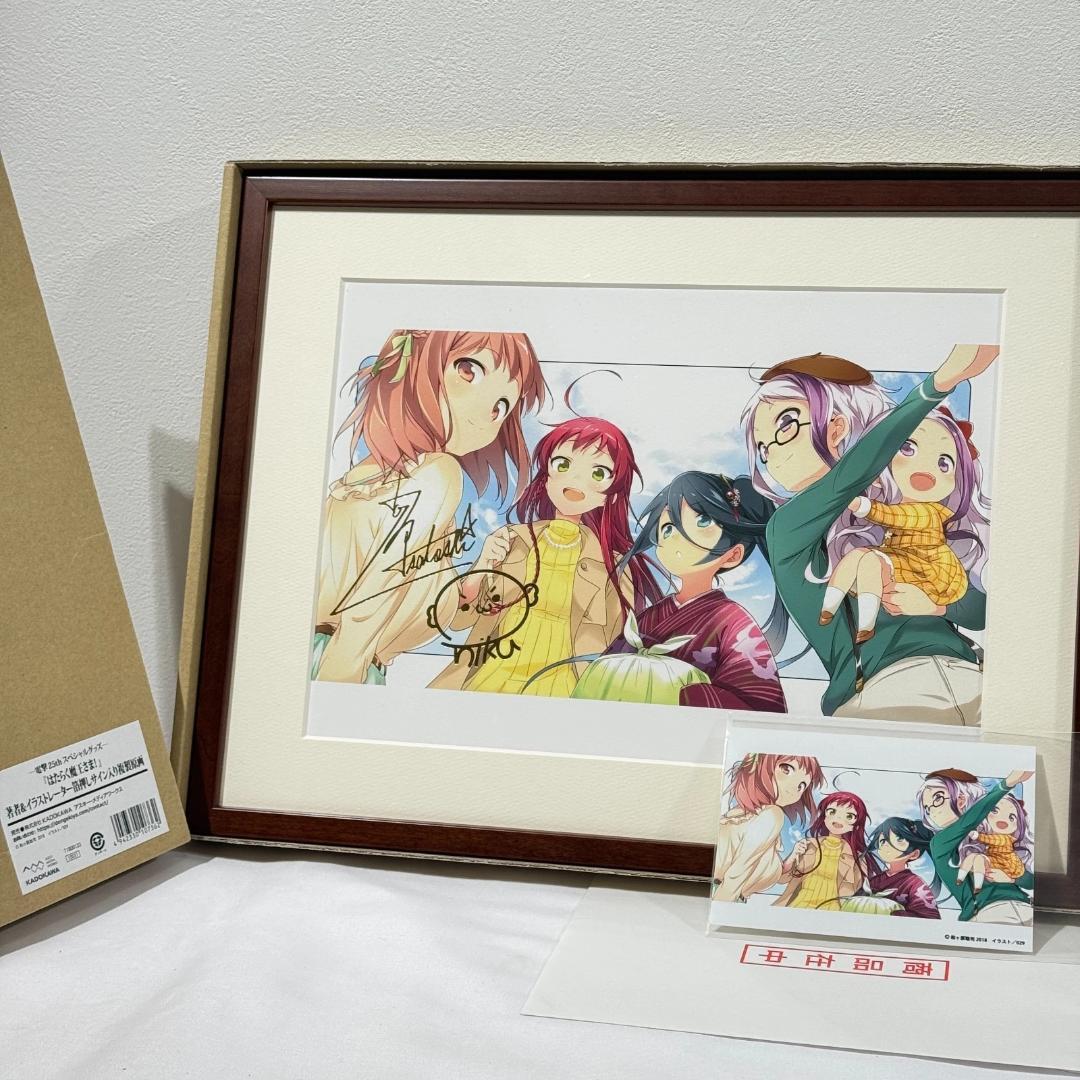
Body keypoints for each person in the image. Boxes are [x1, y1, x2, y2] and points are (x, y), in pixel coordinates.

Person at [740, 344, 998, 724]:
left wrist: (937, 606)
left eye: (787, 425)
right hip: (883, 693)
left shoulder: (899, 515)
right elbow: (849, 476)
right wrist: (937, 386)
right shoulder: (787, 528)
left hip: (974, 679)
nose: (773, 454)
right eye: (762, 447)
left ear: (839, 427)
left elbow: (982, 610)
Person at [313, 329, 547, 684]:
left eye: (500, 407)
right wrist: (340, 686)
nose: (485, 413)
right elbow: (372, 601)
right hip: (343, 665)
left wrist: (483, 564)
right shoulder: (439, 473)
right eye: (468, 370)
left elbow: (443, 611)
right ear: (416, 361)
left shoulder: (364, 478)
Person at [429, 416, 662, 696]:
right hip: (491, 675)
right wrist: (483, 564)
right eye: (563, 465)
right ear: (546, 477)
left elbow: (619, 650)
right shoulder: (512, 541)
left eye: (598, 473)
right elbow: (458, 621)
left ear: (610, 495)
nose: (575, 480)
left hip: (565, 687)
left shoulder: (613, 567)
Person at [573, 472, 786, 711]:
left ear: (733, 555)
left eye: (702, 522)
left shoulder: (733, 623)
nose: (676, 537)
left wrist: (682, 691)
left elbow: (761, 705)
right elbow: (608, 674)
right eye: (667, 528)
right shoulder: (649, 618)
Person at [820, 407, 989, 643]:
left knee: (869, 561)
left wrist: (934, 608)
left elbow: (982, 612)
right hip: (903, 559)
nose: (926, 467)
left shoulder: (929, 512)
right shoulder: (851, 530)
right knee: (858, 556)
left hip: (931, 570)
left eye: (944, 463)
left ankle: (865, 626)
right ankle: (828, 608)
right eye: (908, 448)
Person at [919, 767, 1035, 924]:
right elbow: (966, 822)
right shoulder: (939, 843)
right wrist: (1006, 784)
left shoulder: (990, 838)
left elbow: (1030, 881)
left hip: (1026, 908)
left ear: (962, 799)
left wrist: (1012, 879)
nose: (932, 811)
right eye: (927, 808)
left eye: (938, 799)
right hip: (988, 914)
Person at [712, 753, 824, 903]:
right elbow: (737, 873)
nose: (793, 788)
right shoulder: (772, 815)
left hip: (727, 894)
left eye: (801, 786)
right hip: (725, 895)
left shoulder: (747, 815)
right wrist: (722, 907)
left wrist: (793, 856)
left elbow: (771, 875)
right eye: (786, 769)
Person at [774, 792, 869, 910]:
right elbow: (781, 879)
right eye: (832, 812)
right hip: (799, 905)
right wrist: (793, 856)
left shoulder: (857, 858)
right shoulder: (808, 845)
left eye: (849, 816)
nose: (839, 818)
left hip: (832, 911)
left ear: (856, 825)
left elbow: (858, 894)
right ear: (824, 817)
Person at [863, 817, 941, 918]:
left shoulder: (914, 884)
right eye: (883, 840)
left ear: (914, 854)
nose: (886, 845)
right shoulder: (874, 880)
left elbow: (931, 916)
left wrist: (894, 915)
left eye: (899, 839)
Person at [957, 791, 1032, 895]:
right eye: (995, 810)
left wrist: (1010, 879)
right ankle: (961, 880)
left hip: (1008, 870)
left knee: (978, 858)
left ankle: (976, 886)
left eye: (1011, 817)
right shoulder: (967, 847)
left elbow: (1031, 882)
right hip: (993, 861)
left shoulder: (1006, 839)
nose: (1003, 819)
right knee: (974, 857)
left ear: (1017, 825)